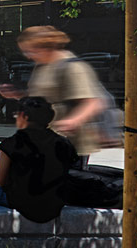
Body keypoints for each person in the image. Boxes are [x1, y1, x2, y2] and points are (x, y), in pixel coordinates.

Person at [0, 97, 78, 220]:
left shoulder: (12, 143)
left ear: (24, 117)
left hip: (19, 200)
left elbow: (1, 182)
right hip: (54, 200)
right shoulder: (64, 143)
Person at [18, 26, 109, 160]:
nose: (28, 56)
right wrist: (17, 94)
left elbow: (93, 102)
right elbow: (42, 97)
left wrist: (72, 121)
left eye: (31, 51)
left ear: (47, 47)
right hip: (46, 137)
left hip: (69, 142)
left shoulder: (73, 67)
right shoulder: (42, 66)